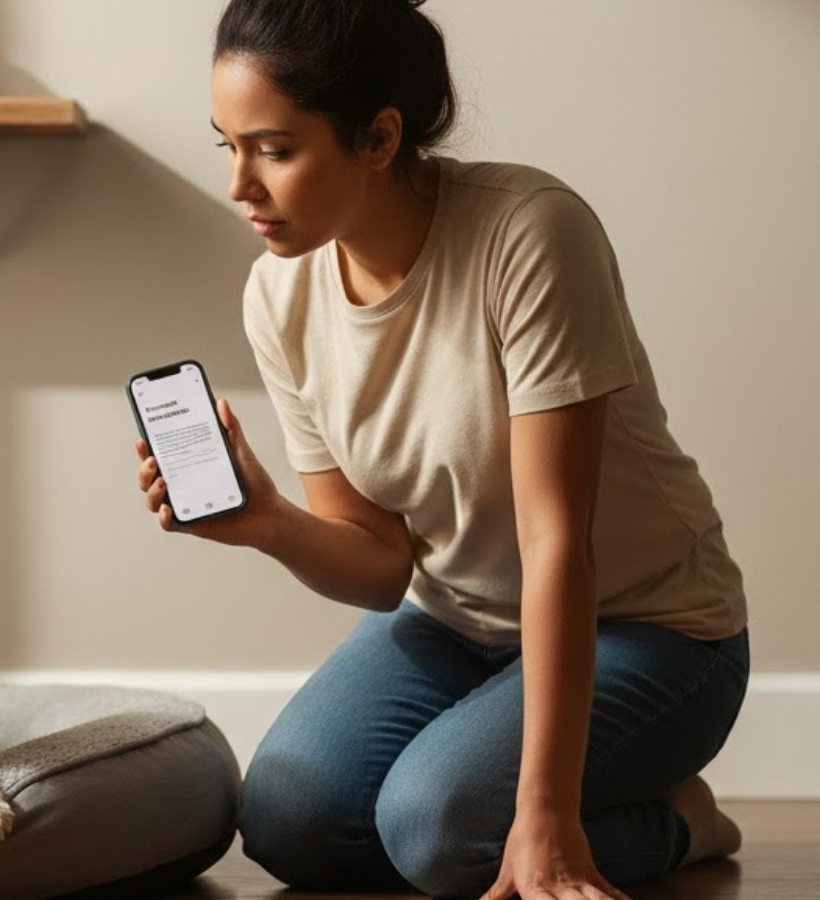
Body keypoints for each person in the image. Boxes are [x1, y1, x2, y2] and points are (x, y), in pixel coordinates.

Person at [134, 1, 751, 896]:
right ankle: (497, 777)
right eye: (226, 146)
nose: (240, 186)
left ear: (379, 138)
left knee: (440, 833)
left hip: (648, 628)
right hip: (454, 620)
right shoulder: (278, 294)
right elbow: (382, 568)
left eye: (274, 149)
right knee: (286, 822)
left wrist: (546, 815)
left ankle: (681, 823)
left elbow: (556, 544)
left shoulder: (528, 232)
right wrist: (268, 522)